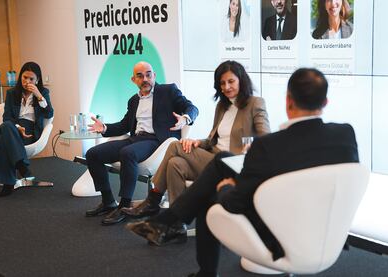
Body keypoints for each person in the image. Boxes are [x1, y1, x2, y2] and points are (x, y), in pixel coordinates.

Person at [126, 68, 359, 277]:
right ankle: (171, 224)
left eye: (231, 82)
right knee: (216, 160)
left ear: (288, 102)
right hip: (328, 231)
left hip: (278, 235)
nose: (226, 87)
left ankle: (168, 222)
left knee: (210, 194)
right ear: (326, 102)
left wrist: (225, 187)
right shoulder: (346, 135)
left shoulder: (269, 145)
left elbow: (235, 202)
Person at [122, 60, 270, 220]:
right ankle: (177, 223)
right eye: (222, 83)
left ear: (242, 80)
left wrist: (253, 147)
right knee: (174, 164)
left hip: (231, 163)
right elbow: (213, 140)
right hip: (212, 157)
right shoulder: (222, 106)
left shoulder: (255, 103)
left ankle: (153, 199)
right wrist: (197, 143)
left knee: (174, 146)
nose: (226, 87)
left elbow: (265, 137)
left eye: (231, 81)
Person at [84, 61, 199, 226]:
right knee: (93, 154)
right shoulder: (133, 100)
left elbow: (192, 107)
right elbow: (124, 125)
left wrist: (185, 118)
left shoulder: (168, 91)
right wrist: (104, 127)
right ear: (133, 80)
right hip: (135, 139)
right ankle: (108, 201)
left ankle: (124, 206)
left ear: (154, 76)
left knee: (128, 153)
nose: (145, 78)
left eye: (148, 74)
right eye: (140, 76)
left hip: (157, 141)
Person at [0, 62, 54, 197]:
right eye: (25, 77)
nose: (27, 81)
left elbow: (49, 114)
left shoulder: (43, 92)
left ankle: (8, 183)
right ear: (20, 77)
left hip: (30, 132)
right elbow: (7, 117)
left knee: (2, 138)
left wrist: (39, 96)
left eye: (31, 79)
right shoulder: (12, 93)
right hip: (14, 127)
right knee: (7, 126)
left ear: (37, 80)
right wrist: (18, 128)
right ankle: (21, 165)